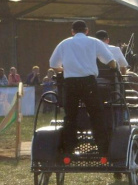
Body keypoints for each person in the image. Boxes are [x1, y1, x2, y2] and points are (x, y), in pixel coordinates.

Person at [49, 20, 116, 161]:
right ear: (87, 31)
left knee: (70, 116)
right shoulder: (94, 42)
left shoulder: (64, 43)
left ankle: (68, 149)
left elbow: (53, 64)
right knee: (96, 114)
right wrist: (114, 68)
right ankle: (103, 149)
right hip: (88, 83)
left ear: (72, 32)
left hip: (70, 83)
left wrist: (65, 69)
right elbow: (111, 61)